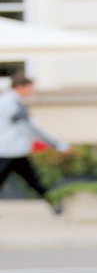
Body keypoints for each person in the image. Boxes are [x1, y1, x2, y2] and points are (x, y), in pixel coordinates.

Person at [0, 76, 70, 214]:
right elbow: (31, 127)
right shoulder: (11, 103)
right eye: (29, 87)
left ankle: (54, 203)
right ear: (19, 87)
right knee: (33, 180)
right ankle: (54, 202)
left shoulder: (9, 101)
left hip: (14, 150)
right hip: (9, 150)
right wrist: (58, 144)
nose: (31, 91)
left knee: (33, 180)